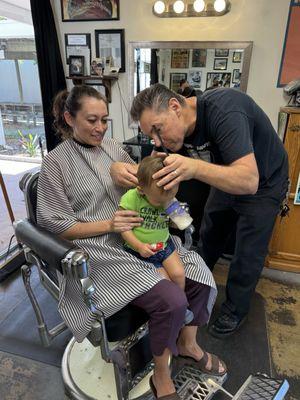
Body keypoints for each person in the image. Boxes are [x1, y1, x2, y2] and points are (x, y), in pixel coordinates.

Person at [36, 85, 226, 399]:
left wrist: (154, 178)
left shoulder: (113, 148)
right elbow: (58, 226)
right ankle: (161, 377)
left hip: (140, 234)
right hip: (100, 250)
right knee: (172, 301)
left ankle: (187, 345)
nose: (100, 128)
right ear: (69, 118)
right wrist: (109, 223)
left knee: (202, 278)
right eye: (91, 120)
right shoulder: (55, 164)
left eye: (105, 120)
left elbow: (145, 188)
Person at [130, 83, 289, 338]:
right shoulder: (170, 135)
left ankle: (236, 309)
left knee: (248, 251)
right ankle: (198, 285)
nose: (159, 141)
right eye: (152, 135)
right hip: (224, 173)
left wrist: (192, 167)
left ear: (174, 107)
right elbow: (153, 175)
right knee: (211, 232)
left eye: (158, 130)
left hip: (265, 182)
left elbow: (248, 181)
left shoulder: (225, 110)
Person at [119, 155, 194, 324]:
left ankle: (181, 307)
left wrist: (179, 219)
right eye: (159, 200)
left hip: (164, 245)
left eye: (170, 196)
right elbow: (124, 228)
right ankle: (174, 306)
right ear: (141, 189)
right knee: (165, 283)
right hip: (140, 251)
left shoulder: (167, 197)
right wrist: (138, 246)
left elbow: (181, 222)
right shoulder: (132, 198)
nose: (165, 203)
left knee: (178, 274)